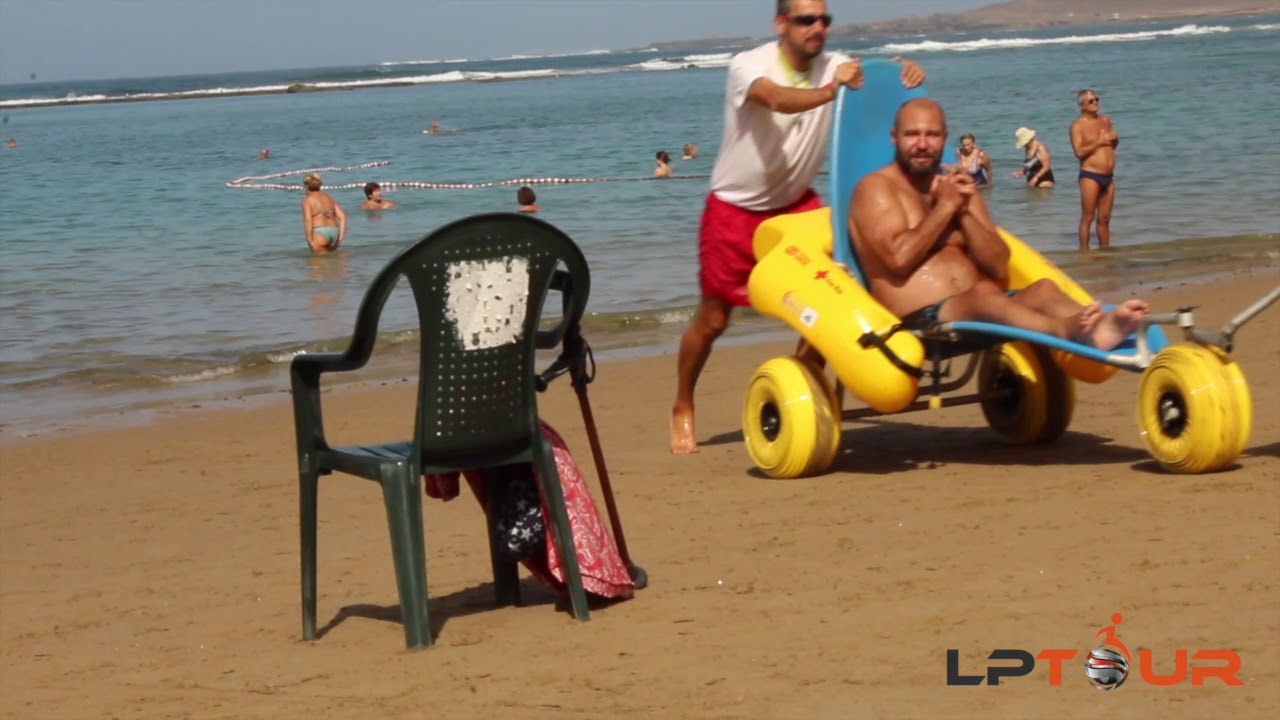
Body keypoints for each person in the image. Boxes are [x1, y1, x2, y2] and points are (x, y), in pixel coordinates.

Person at [669, 0, 926, 454]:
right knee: (712, 321)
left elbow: (877, 95)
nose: (819, 28)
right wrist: (832, 91)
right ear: (781, 23)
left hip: (798, 211)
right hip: (734, 211)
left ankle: (801, 385)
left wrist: (904, 77)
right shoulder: (748, 65)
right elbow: (777, 100)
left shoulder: (839, 65)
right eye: (807, 19)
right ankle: (683, 403)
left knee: (834, 301)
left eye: (825, 19)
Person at [848, 98, 1147, 351]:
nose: (923, 144)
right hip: (918, 319)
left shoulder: (957, 185)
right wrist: (946, 206)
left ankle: (1099, 325)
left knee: (1042, 289)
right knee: (984, 296)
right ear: (894, 138)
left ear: (945, 138)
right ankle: (1069, 332)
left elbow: (998, 266)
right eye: (912, 134)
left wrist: (963, 210)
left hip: (981, 309)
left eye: (933, 135)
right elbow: (898, 259)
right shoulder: (876, 188)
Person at [1071, 89, 1119, 251]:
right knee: (1088, 217)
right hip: (1090, 175)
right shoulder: (1077, 126)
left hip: (1109, 176)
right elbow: (1079, 152)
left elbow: (1112, 145)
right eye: (1091, 101)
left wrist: (1114, 139)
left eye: (1097, 99)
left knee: (1105, 219)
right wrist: (1099, 141)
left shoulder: (1105, 120)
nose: (1096, 102)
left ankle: (1105, 252)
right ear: (1082, 105)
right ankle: (1084, 254)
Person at [301, 173, 347, 254]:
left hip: (320, 232)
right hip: (334, 231)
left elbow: (308, 220)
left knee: (317, 264)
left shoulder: (307, 200)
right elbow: (342, 216)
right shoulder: (328, 197)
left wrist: (309, 240)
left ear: (306, 187)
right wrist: (341, 237)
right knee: (332, 263)